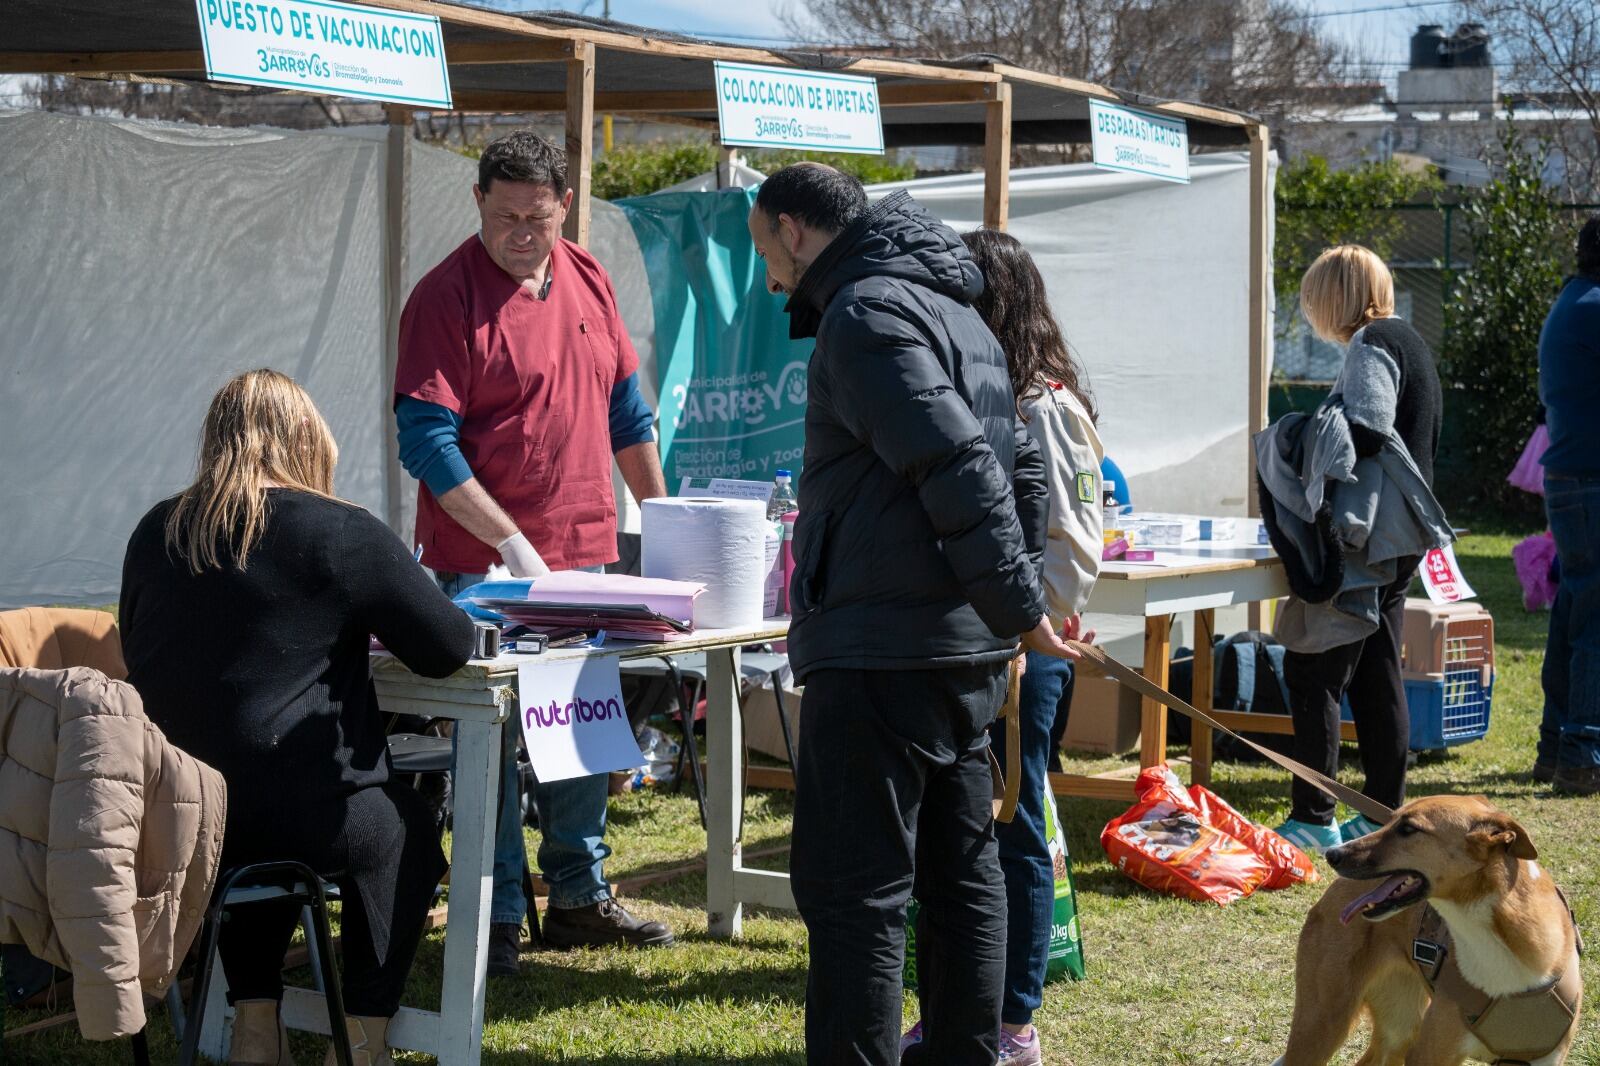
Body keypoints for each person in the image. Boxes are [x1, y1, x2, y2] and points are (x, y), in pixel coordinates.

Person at [748, 163, 1086, 1066]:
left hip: (885, 654)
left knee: (861, 897)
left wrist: (1016, 610)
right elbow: (1012, 466)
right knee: (961, 878)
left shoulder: (865, 313)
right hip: (944, 651)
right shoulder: (960, 313)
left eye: (763, 250)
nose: (771, 278)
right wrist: (1012, 610)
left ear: (789, 228)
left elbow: (968, 468)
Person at [120, 369, 477, 1066]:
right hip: (295, 812)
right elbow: (449, 646)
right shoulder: (339, 531)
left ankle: (257, 1027)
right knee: (402, 826)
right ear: (310, 441)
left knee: (249, 813)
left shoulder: (156, 530)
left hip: (177, 812)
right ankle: (366, 1041)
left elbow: (140, 648)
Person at [393, 129, 672, 971]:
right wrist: (510, 542)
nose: (521, 231)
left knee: (579, 726)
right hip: (480, 567)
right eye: (505, 214)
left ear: (564, 209)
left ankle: (580, 896)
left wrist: (666, 524)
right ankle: (499, 909)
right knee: (493, 738)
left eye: (538, 217)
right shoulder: (445, 298)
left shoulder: (588, 275)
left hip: (584, 555)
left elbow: (628, 415)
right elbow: (427, 442)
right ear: (478, 201)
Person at [904, 227, 1102, 1066]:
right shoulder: (988, 394)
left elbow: (1076, 540)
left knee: (1017, 832)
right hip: (986, 649)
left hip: (1031, 655)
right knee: (964, 837)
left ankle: (1014, 1022)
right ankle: (959, 1010)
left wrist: (1033, 627)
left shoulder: (1044, 406)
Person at [1273, 245, 1442, 854]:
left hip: (1368, 537)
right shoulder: (1408, 340)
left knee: (1314, 668)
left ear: (1335, 298)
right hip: (1403, 536)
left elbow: (1367, 426)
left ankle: (1314, 815)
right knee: (1376, 673)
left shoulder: (1371, 344)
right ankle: (1379, 811)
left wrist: (1306, 434)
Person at [1535, 213, 1600, 796]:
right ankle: (1582, 755)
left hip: (1573, 477)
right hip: (1592, 479)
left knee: (1576, 610)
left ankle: (1556, 746)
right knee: (1593, 618)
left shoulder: (1574, 299)